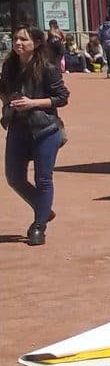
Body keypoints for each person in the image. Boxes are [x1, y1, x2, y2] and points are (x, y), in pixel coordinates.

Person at [2, 27, 67, 245]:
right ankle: (44, 208)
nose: (18, 43)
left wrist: (32, 103)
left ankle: (39, 225)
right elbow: (4, 88)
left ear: (36, 43)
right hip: (18, 128)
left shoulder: (48, 67)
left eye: (23, 39)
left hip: (45, 129)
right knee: (14, 177)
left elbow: (61, 97)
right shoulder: (9, 65)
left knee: (43, 179)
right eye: (15, 39)